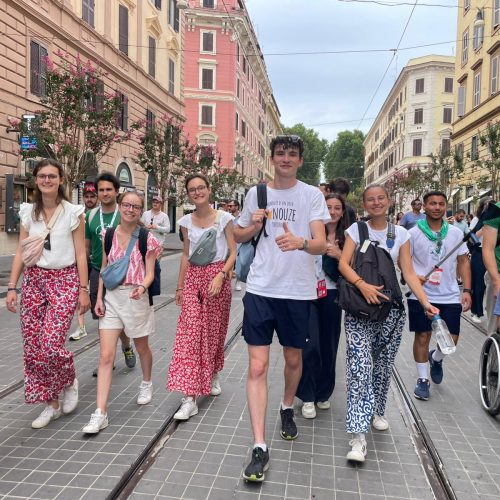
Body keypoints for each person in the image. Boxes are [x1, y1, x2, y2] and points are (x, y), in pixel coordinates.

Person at [234, 134, 330, 482]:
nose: (286, 158)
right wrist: (254, 226)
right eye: (280, 153)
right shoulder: (256, 193)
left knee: (293, 359)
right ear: (272, 158)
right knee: (258, 367)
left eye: (292, 153)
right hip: (261, 289)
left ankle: (287, 406)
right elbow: (238, 235)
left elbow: (321, 244)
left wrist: (300, 242)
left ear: (300, 160)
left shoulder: (311, 195)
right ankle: (259, 445)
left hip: (297, 292)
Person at [338, 184, 438, 463]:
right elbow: (343, 264)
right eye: (370, 199)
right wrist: (363, 285)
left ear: (389, 201)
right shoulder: (355, 230)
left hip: (390, 311)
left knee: (382, 367)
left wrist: (425, 302)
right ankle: (358, 436)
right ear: (364, 204)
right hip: (359, 309)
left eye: (380, 198)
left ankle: (377, 410)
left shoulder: (401, 234)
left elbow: (408, 272)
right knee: (360, 368)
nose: (376, 203)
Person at [6, 159, 90, 429]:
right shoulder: (28, 212)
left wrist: (84, 289)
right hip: (34, 281)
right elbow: (21, 252)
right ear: (36, 179)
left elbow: (80, 254)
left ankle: (68, 380)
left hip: (64, 280)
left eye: (52, 176)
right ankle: (50, 403)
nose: (47, 180)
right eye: (42, 176)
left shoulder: (73, 212)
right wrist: (12, 286)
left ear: (61, 179)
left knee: (51, 345)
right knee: (33, 347)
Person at [82, 191, 161, 434]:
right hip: (112, 298)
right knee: (106, 356)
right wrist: (99, 298)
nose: (130, 210)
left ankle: (146, 382)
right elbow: (104, 268)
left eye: (135, 207)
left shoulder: (147, 238)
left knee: (142, 348)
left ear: (140, 211)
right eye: (126, 205)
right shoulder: (108, 235)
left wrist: (142, 287)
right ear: (120, 206)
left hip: (136, 297)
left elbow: (150, 272)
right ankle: (100, 413)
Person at [167, 174, 236, 420]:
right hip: (194, 280)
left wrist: (221, 275)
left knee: (214, 333)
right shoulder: (185, 222)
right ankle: (189, 397)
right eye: (192, 189)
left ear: (209, 189)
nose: (197, 192)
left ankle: (214, 372)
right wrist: (179, 287)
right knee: (190, 337)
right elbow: (186, 254)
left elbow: (233, 252)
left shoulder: (225, 218)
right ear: (188, 194)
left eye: (201, 188)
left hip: (217, 279)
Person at [408, 191, 471, 402]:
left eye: (441, 204)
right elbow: (404, 263)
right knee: (423, 336)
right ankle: (423, 379)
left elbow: (463, 261)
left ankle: (436, 358)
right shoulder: (413, 233)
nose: (437, 207)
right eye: (433, 203)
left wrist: (467, 290)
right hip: (421, 294)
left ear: (445, 207)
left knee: (451, 339)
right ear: (424, 206)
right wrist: (413, 277)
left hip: (449, 294)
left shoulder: (455, 233)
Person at [296, 193, 347, 419]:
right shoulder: (309, 231)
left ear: (342, 212)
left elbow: (355, 267)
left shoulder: (348, 236)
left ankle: (324, 392)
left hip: (333, 294)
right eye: (328, 207)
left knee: (329, 344)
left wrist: (339, 255)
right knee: (309, 345)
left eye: (337, 208)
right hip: (307, 292)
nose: (332, 211)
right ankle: (307, 395)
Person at [86, 173, 136, 375]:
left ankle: (126, 345)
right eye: (101, 190)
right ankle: (107, 359)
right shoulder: (90, 216)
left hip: (121, 273)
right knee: (103, 317)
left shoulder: (125, 213)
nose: (105, 193)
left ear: (116, 191)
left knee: (120, 318)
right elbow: (86, 247)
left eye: (109, 189)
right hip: (98, 271)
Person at [70, 183, 98, 341]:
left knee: (95, 294)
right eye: (86, 196)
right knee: (79, 291)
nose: (89, 199)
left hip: (97, 260)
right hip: (82, 259)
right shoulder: (78, 215)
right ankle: (81, 327)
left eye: (92, 196)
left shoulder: (99, 215)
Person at [468, 198, 491, 324]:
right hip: (479, 253)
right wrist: (483, 227)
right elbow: (471, 238)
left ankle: (491, 310)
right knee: (478, 284)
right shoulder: (476, 220)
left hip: (493, 253)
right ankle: (475, 311)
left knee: (492, 284)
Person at [483, 201, 500, 333]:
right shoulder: (495, 210)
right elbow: (487, 249)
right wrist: (496, 281)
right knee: (496, 329)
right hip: (498, 274)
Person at [226, 199, 242, 291]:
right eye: (228, 206)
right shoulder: (227, 217)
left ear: (236, 206)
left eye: (231, 206)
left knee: (239, 264)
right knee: (229, 264)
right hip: (229, 244)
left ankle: (238, 282)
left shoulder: (242, 216)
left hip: (240, 244)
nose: (229, 207)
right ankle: (228, 283)